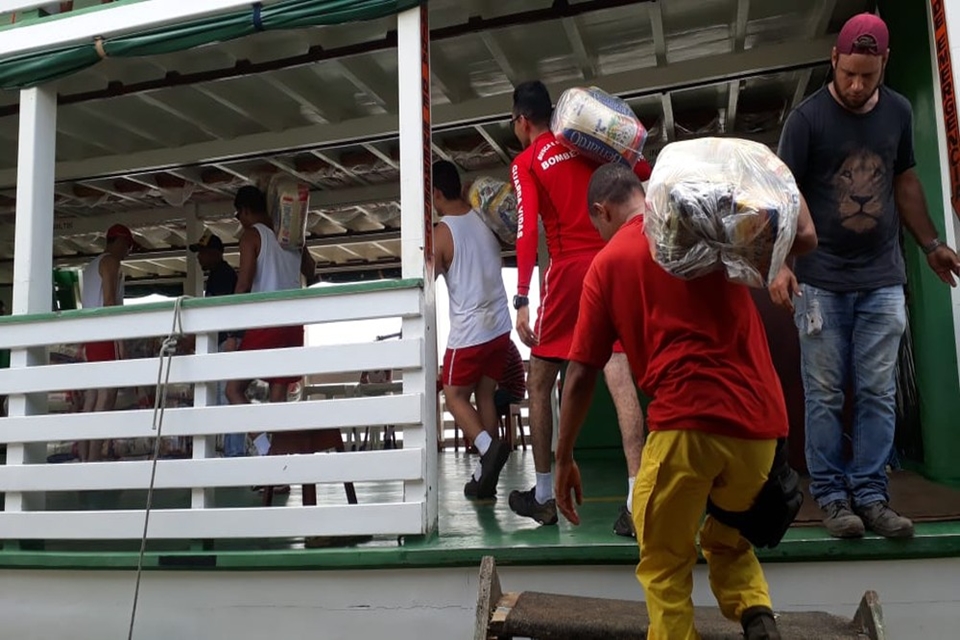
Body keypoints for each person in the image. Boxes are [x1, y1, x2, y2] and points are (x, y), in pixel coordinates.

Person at [554, 164, 817, 640]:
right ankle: (757, 615)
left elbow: (579, 375)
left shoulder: (608, 263)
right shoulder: (705, 229)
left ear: (602, 210)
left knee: (663, 561)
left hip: (685, 428)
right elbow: (793, 233)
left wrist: (563, 457)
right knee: (727, 536)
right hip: (761, 429)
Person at [774, 13, 960, 539]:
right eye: (849, 73)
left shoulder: (898, 111)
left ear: (883, 66)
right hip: (820, 281)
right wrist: (782, 266)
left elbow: (904, 181)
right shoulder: (807, 120)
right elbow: (785, 199)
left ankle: (873, 495)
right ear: (833, 59)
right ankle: (833, 498)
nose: (856, 86)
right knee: (826, 392)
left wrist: (931, 244)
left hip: (883, 278)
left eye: (867, 76)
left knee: (878, 393)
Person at [508, 79, 650, 535]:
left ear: (522, 122)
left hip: (569, 273)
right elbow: (642, 171)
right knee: (619, 376)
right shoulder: (587, 137)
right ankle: (637, 500)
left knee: (540, 379)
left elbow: (527, 230)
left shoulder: (528, 160)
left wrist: (523, 297)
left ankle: (546, 495)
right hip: (616, 259)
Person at [433, 160, 513, 499]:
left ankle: (487, 447)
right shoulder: (483, 219)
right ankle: (484, 479)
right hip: (501, 326)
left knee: (453, 397)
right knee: (484, 395)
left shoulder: (441, 232)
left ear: (435, 193)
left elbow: (426, 281)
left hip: (470, 332)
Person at [78, 223, 139, 462]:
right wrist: (120, 340)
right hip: (105, 334)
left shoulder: (91, 266)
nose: (128, 252)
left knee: (91, 398)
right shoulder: (111, 262)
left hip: (89, 335)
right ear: (121, 242)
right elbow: (110, 302)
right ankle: (94, 459)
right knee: (106, 395)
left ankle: (85, 458)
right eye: (128, 246)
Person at [188, 229, 246, 458]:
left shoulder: (221, 275)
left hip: (228, 342)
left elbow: (224, 311)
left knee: (227, 397)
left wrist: (231, 337)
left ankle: (234, 453)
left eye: (202, 253)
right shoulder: (218, 275)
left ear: (214, 253)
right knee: (224, 398)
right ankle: (232, 451)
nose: (199, 258)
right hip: (225, 341)